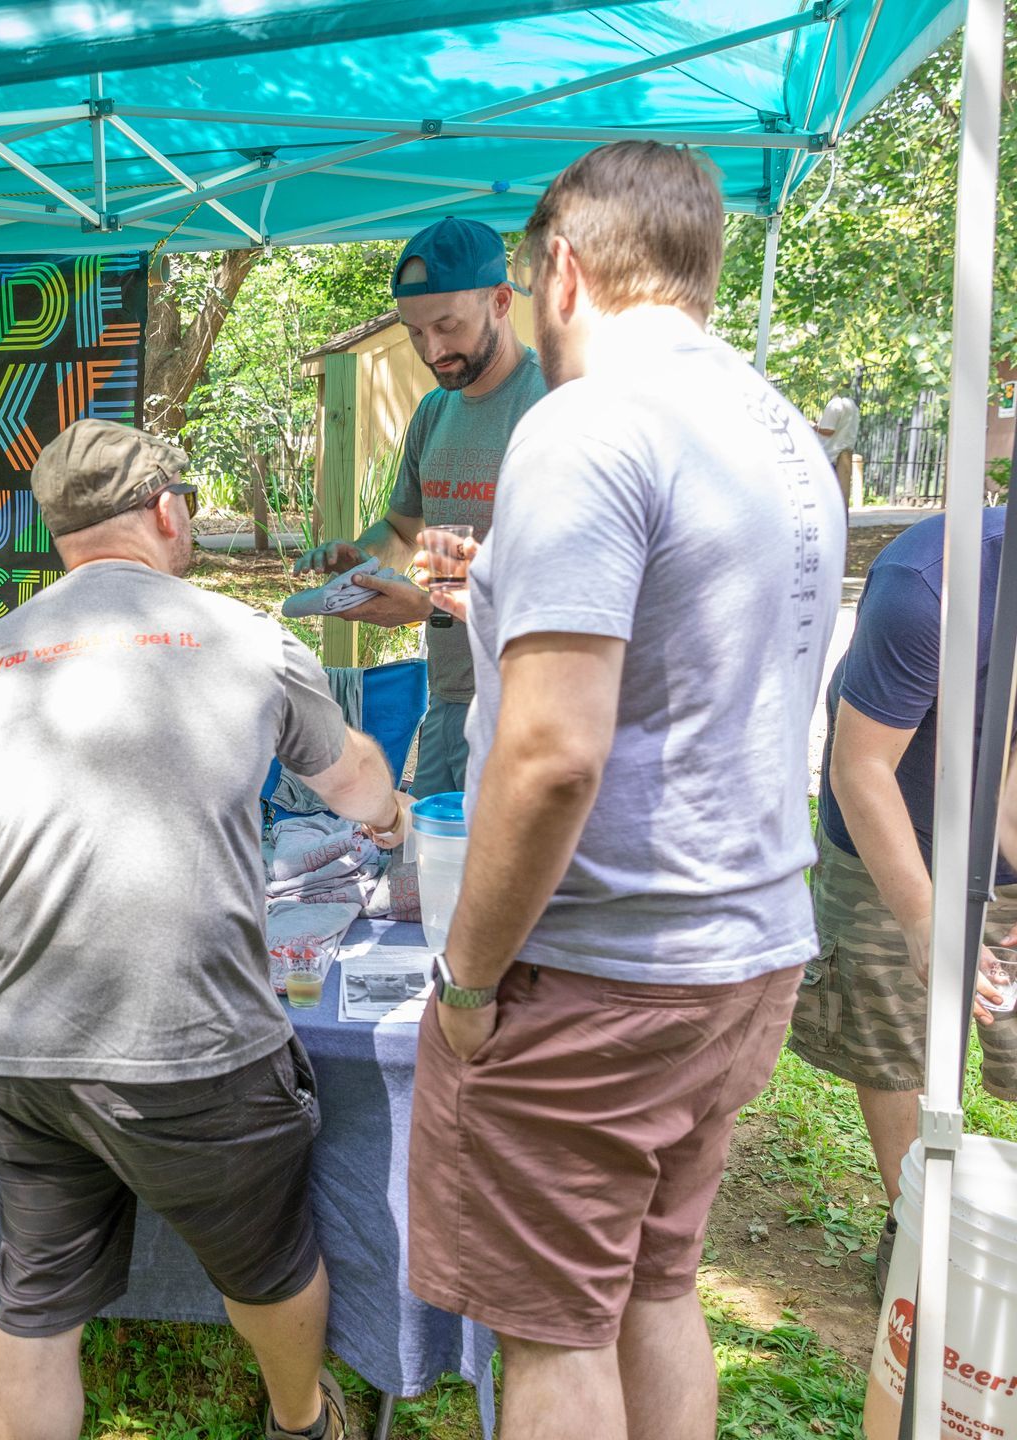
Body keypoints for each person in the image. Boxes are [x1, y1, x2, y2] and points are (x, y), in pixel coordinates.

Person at [406, 143, 843, 1440]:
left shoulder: (588, 422)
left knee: (554, 1335)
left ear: (561, 270)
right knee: (655, 1286)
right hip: (743, 946)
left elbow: (553, 756)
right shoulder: (777, 430)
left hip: (603, 969)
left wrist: (469, 982)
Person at [0, 419, 412, 1440]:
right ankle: (301, 1420)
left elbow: (2, 832)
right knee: (273, 1266)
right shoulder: (248, 637)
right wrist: (389, 817)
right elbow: (355, 780)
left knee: (35, 1309)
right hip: (196, 1049)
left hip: (18, 1044)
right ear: (167, 511)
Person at [788, 506, 1015, 1294]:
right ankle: (913, 1220)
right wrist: (924, 918)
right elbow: (862, 768)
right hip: (893, 819)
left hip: (1000, 809)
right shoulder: (928, 583)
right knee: (893, 1029)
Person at [292, 216, 547, 797]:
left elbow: (562, 591)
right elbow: (406, 532)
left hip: (527, 706)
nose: (432, 350)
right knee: (428, 874)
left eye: (447, 326)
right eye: (414, 333)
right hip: (449, 694)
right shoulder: (435, 412)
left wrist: (423, 606)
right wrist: (363, 556)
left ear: (501, 301)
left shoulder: (554, 404)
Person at [816, 394, 859, 511]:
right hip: (844, 452)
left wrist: (812, 426)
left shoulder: (835, 404)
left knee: (827, 498)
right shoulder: (853, 406)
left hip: (831, 456)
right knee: (840, 498)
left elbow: (828, 430)